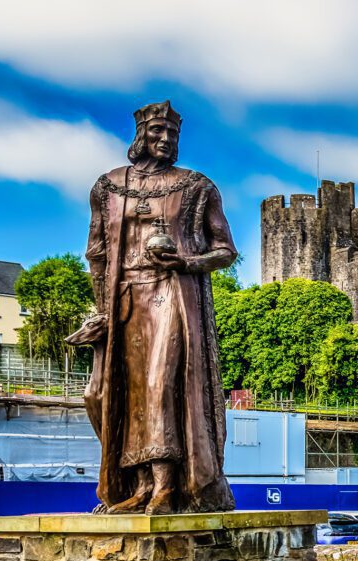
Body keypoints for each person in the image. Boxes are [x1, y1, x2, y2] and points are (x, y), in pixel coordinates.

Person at [72, 101, 236, 514]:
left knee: (160, 385)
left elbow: (225, 249)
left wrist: (186, 262)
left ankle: (166, 484)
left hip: (171, 294)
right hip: (124, 296)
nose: (166, 140)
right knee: (118, 393)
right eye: (158, 132)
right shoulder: (108, 187)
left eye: (172, 134)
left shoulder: (196, 187)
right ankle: (140, 485)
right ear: (141, 137)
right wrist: (102, 311)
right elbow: (96, 253)